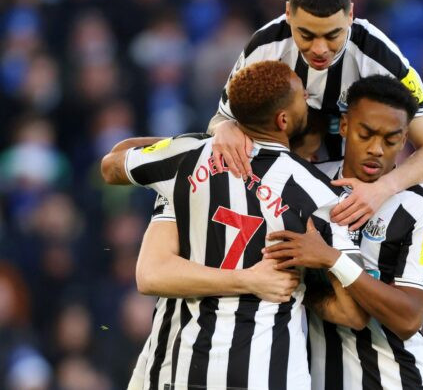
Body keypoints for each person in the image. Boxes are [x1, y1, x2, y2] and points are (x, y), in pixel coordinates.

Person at [101, 61, 366, 390]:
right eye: (301, 97)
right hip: (267, 376)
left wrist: (198, 138)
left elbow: (112, 164)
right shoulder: (322, 195)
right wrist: (295, 285)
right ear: (283, 120)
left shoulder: (187, 157)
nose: (307, 98)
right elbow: (352, 312)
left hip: (179, 369)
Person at [209, 0, 423, 231]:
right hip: (277, 187)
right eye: (306, 35)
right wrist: (224, 128)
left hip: (356, 192)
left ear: (350, 16)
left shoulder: (379, 56)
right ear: (288, 13)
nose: (320, 49)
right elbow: (220, 120)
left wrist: (383, 188)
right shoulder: (266, 46)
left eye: (332, 35)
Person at [262, 75, 423, 389]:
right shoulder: (308, 180)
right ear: (345, 126)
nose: (376, 149)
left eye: (390, 140)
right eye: (366, 134)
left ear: (404, 140)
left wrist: (334, 260)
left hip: (396, 380)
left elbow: (408, 319)